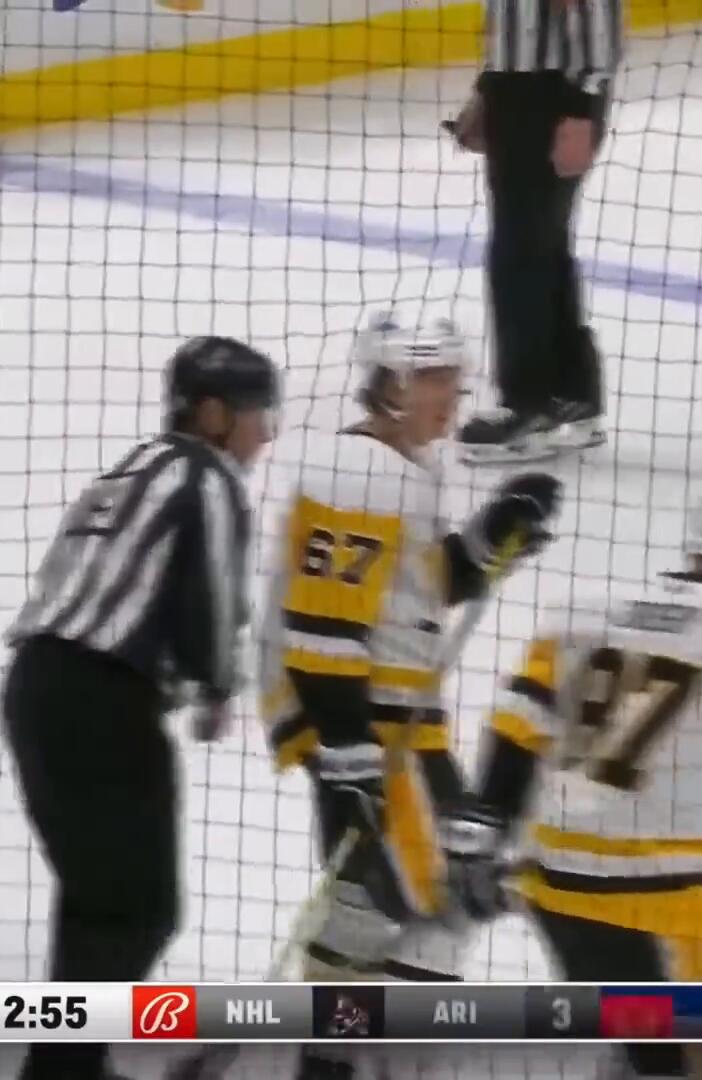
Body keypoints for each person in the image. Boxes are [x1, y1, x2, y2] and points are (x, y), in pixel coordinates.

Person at [447, 467, 702, 1079]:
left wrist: (487, 826)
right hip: (663, 900)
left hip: (554, 887)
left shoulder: (585, 614)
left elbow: (518, 727)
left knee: (640, 1042)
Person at [252, 312, 560, 1080]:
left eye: (454, 377)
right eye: (432, 379)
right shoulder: (361, 471)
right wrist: (348, 756)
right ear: (390, 383)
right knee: (448, 893)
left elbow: (419, 589)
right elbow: (323, 626)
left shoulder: (398, 469)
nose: (452, 394)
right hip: (371, 727)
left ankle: (329, 1059)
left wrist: (492, 535)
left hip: (393, 726)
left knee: (370, 906)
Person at [2, 336, 279, 1080]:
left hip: (35, 685)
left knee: (97, 899)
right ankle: (61, 1069)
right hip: (105, 699)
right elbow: (213, 601)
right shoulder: (208, 477)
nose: (265, 433)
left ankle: (68, 1065)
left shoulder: (130, 468)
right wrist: (215, 684)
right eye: (257, 413)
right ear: (213, 413)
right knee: (140, 907)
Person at [450, 0, 625, 463]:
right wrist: (489, 88)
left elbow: (595, 13)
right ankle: (571, 395)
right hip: (519, 89)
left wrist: (583, 106)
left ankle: (529, 405)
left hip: (553, 95)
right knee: (540, 246)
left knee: (520, 252)